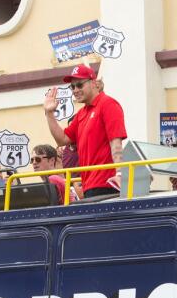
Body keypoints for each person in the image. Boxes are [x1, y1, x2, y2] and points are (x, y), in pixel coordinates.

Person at [43, 64, 126, 199]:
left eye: (80, 85)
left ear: (93, 83)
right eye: (72, 87)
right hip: (89, 185)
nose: (75, 90)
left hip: (107, 185)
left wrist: (120, 174)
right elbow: (62, 139)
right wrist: (49, 113)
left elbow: (116, 142)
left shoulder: (108, 104)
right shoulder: (82, 113)